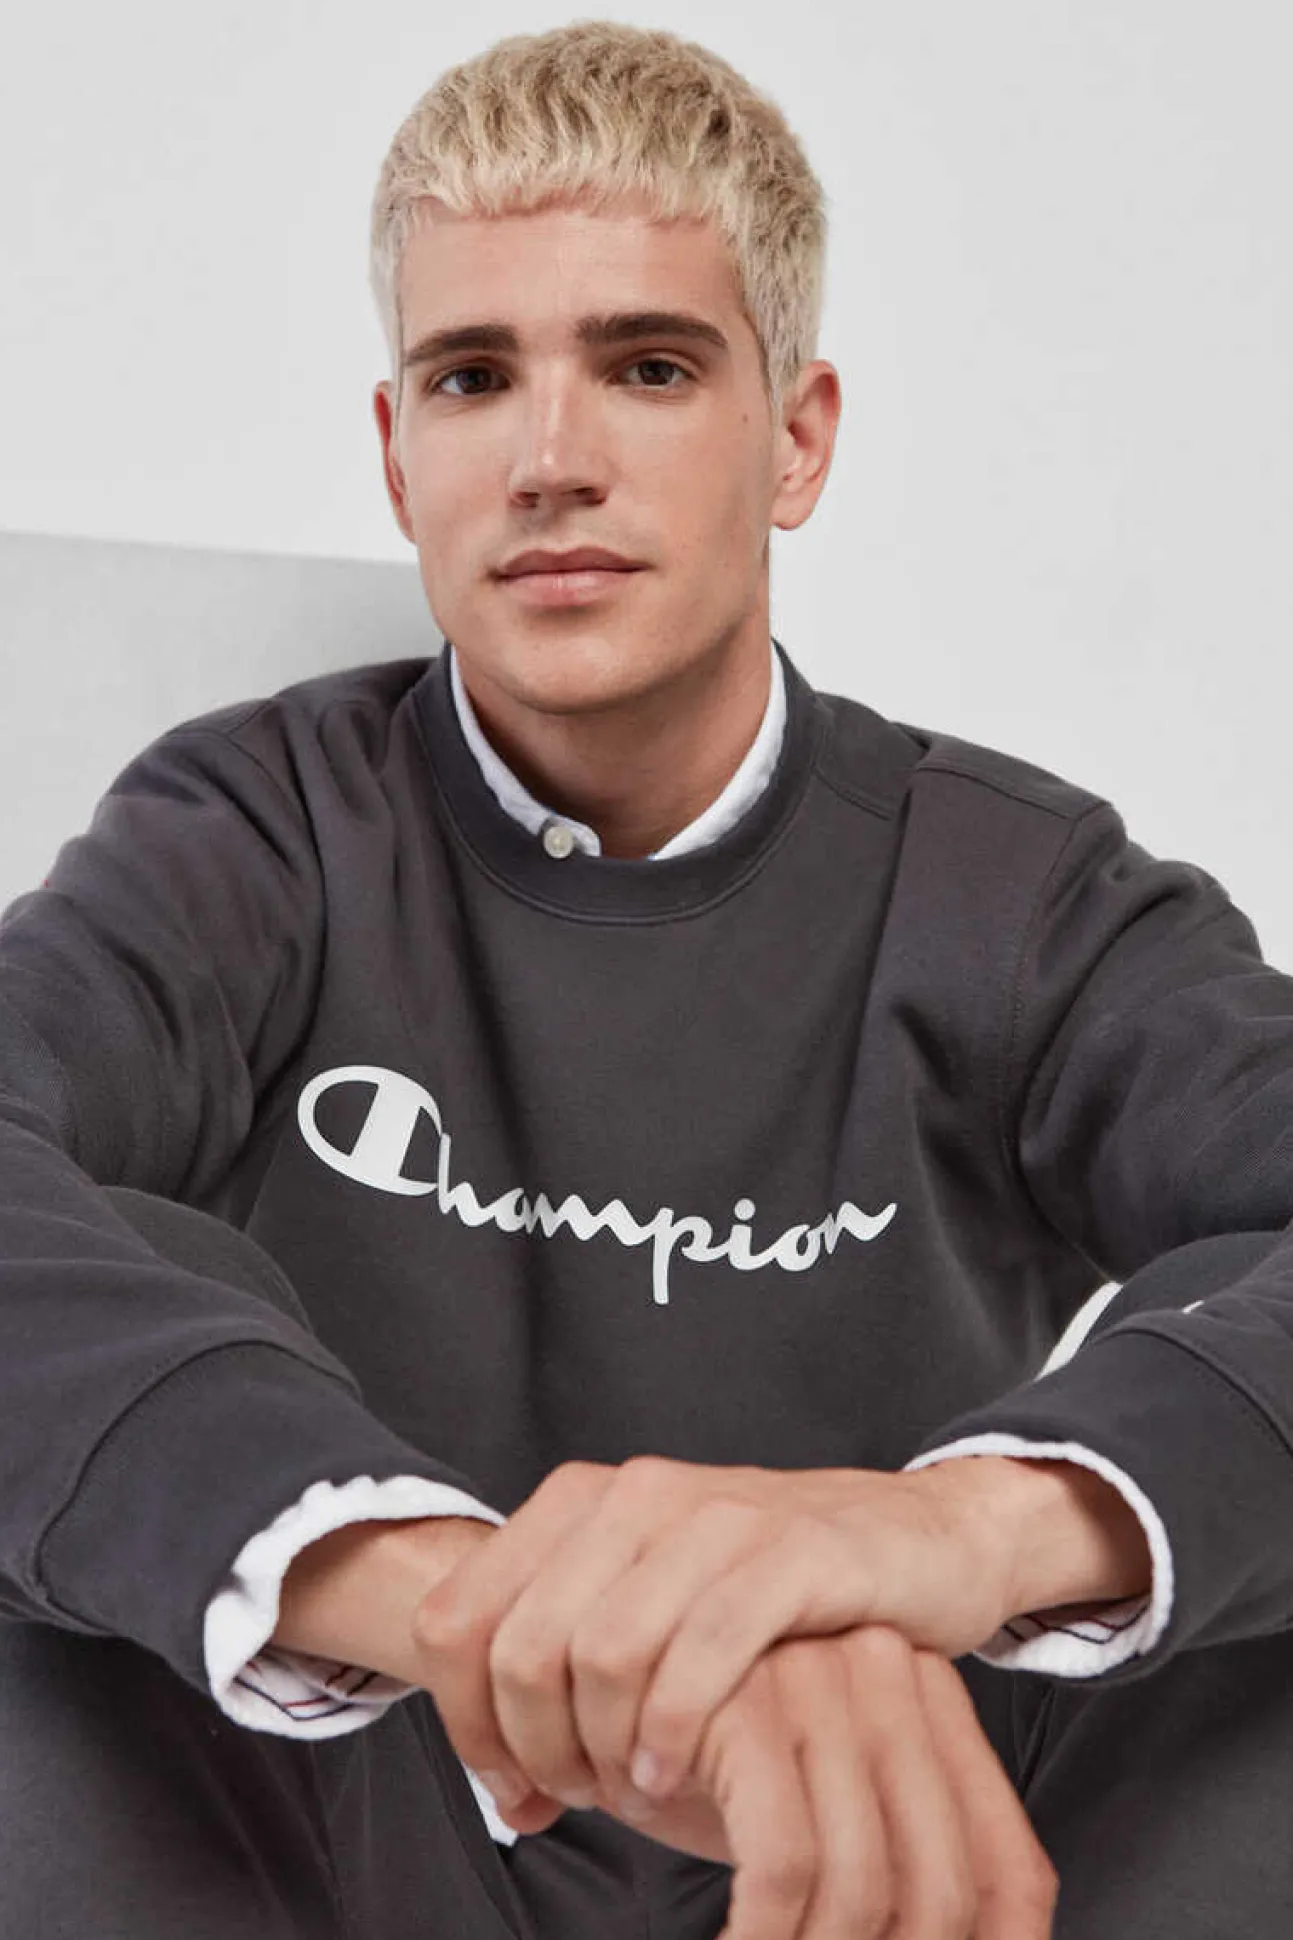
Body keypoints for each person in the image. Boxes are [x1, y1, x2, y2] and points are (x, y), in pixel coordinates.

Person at [2, 19, 1292, 1938]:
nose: (550, 460)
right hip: (374, 1849)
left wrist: (945, 1538)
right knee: (88, 1477)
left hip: (902, 1860)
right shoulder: (258, 835)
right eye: (472, 376)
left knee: (1233, 1540)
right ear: (398, 455)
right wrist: (502, 1621)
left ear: (798, 438)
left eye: (650, 367)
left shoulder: (1017, 897)